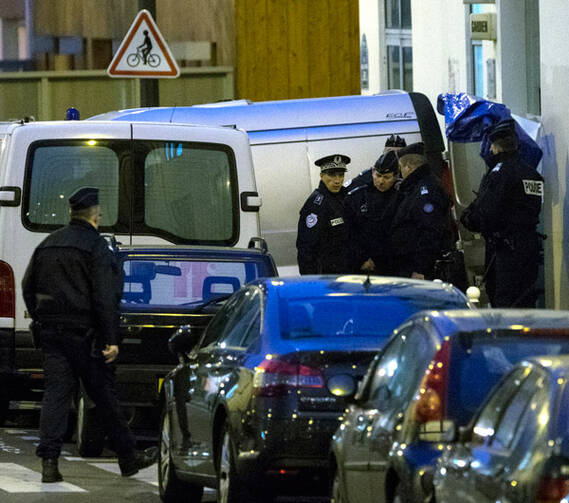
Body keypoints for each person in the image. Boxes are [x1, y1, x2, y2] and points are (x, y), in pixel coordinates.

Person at [22, 187, 156, 483]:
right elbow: (105, 297)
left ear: (72, 213)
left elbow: (27, 286)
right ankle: (128, 457)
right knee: (104, 398)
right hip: (88, 337)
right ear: (96, 215)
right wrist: (111, 339)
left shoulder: (48, 245)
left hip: (52, 335)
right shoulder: (96, 248)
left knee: (55, 396)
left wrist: (41, 318)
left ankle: (49, 463)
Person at [460, 119, 544, 307]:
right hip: (529, 246)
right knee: (526, 300)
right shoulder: (532, 174)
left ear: (495, 147)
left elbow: (487, 211)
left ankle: (506, 336)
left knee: (504, 301)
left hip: (505, 249)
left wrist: (470, 219)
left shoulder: (500, 173)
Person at [389, 142, 453, 279]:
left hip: (421, 268)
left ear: (408, 166)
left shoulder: (425, 190)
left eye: (401, 167)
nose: (401, 172)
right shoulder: (420, 185)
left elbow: (430, 230)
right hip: (413, 264)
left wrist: (420, 268)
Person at [344, 150, 399, 274]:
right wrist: (361, 258)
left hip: (393, 263)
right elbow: (349, 233)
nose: (381, 181)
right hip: (365, 264)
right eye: (378, 175)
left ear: (395, 177)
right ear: (373, 172)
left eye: (386, 177)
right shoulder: (357, 197)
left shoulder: (401, 197)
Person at [297, 154, 350, 274]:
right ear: (321, 176)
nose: (337, 180)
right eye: (331, 175)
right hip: (326, 275)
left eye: (341, 175)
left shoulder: (346, 198)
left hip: (346, 271)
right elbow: (306, 248)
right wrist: (311, 281)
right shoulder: (316, 205)